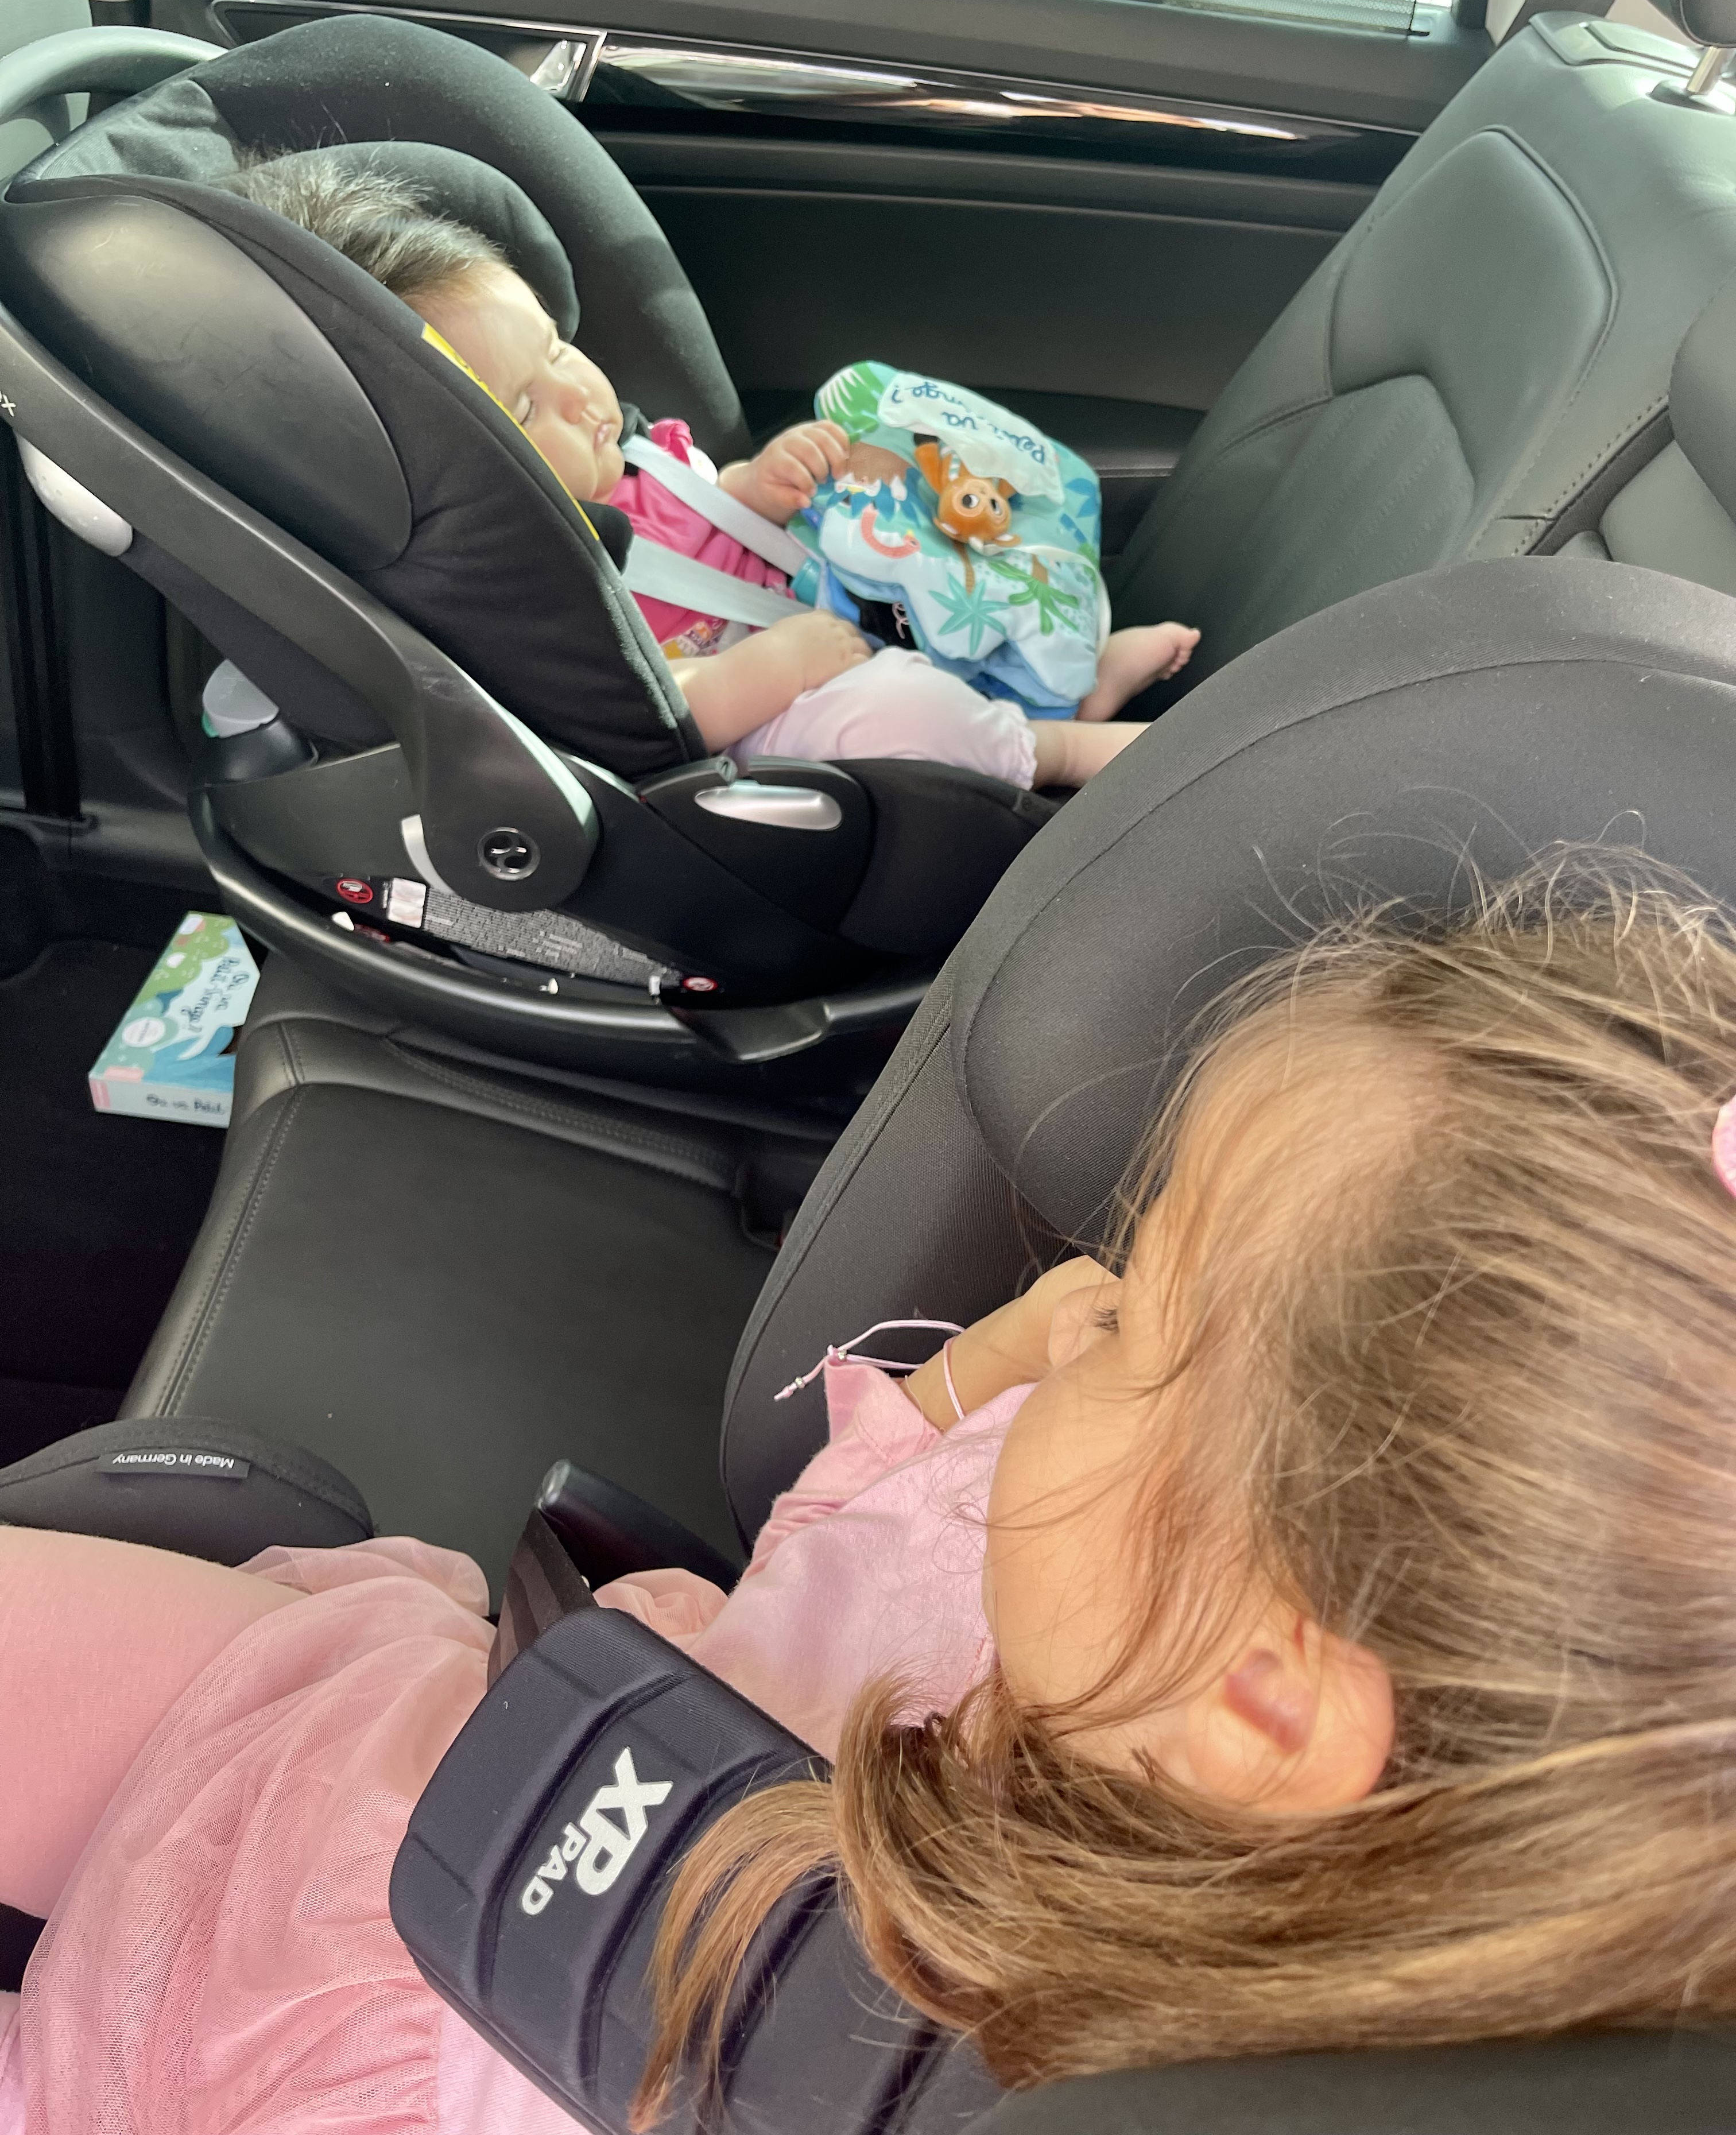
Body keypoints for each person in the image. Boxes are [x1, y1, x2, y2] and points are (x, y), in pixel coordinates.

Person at [10, 855, 1736, 2132]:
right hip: (340, 1742)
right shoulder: (1112, 1589)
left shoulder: (989, 2065)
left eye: (1143, 1321)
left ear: (1266, 1703)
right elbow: (860, 1524)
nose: (1085, 1313)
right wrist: (999, 1371)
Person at [220, 154, 1198, 790]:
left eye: (558, 348)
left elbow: (711, 517)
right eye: (523, 407)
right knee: (896, 711)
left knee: (935, 543)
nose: (582, 397)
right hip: (761, 716)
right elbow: (637, 711)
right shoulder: (525, 589)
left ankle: (1065, 684)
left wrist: (758, 487)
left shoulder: (634, 464)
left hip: (818, 608)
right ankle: (1059, 750)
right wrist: (771, 669)